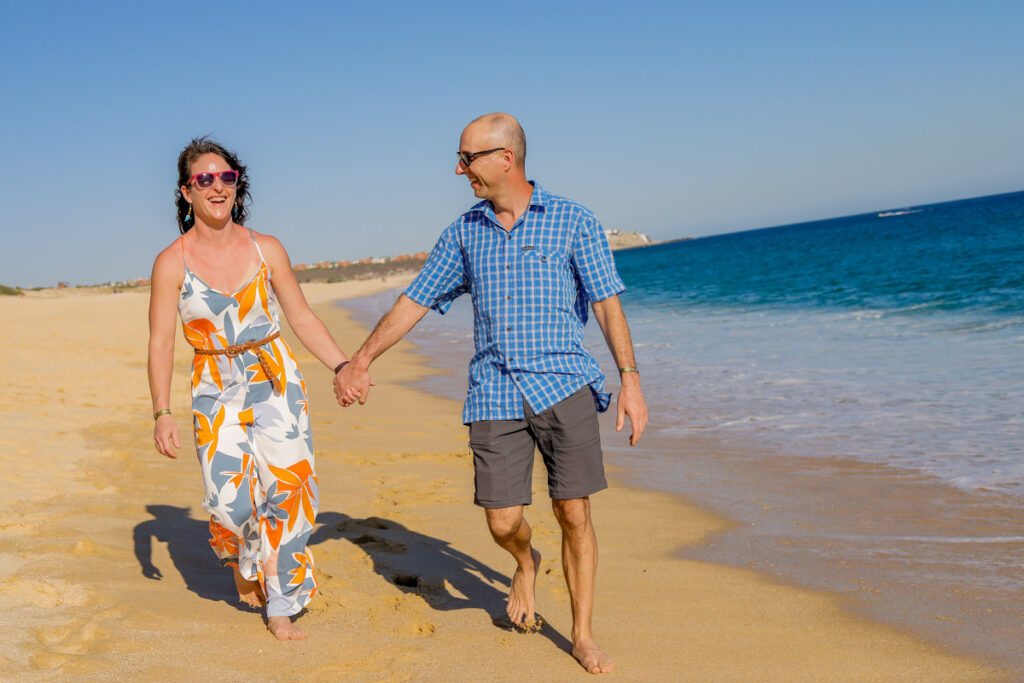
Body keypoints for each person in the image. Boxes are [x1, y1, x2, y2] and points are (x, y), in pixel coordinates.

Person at [333, 113, 647, 674]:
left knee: (574, 511)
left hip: (565, 386)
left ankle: (581, 633)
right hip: (494, 392)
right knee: (503, 521)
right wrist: (360, 359)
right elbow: (415, 301)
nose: (459, 169)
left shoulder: (574, 221)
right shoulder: (463, 232)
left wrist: (630, 379)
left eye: (467, 158)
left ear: (506, 158)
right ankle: (526, 563)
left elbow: (606, 303)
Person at [148, 137, 353, 641]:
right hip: (213, 382)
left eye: (226, 177)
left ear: (237, 187)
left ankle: (282, 603)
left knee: (290, 487)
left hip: (274, 373)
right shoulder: (170, 262)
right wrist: (161, 412)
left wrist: (343, 364)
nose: (217, 186)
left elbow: (301, 316)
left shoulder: (267, 248)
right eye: (205, 179)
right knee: (229, 501)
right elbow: (159, 343)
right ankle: (246, 556)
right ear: (186, 192)